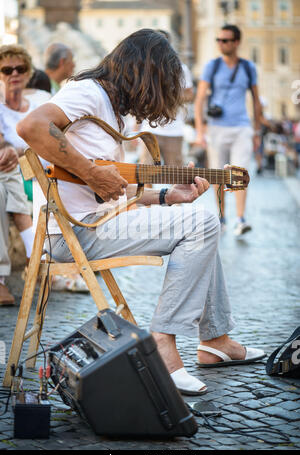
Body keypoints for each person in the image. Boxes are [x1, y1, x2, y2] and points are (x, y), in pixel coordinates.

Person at [17, 29, 265, 396]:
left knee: (199, 224)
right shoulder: (88, 93)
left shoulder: (110, 110)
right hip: (73, 233)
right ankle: (164, 342)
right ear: (144, 73)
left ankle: (216, 339)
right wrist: (90, 173)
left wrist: (167, 196)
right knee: (203, 224)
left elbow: (111, 190)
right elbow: (31, 127)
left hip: (98, 221)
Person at [194, 24, 262, 236]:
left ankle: (241, 219)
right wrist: (199, 131)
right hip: (216, 128)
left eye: (225, 40)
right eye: (219, 40)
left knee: (240, 173)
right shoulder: (212, 67)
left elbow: (256, 100)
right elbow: (199, 99)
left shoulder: (248, 68)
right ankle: (222, 216)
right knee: (218, 175)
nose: (221, 44)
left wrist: (257, 130)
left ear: (236, 42)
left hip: (242, 126)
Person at [0, 44, 35, 305]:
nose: (14, 73)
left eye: (20, 68)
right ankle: (40, 260)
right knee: (7, 183)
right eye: (6, 69)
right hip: (19, 173)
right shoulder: (0, 108)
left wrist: (17, 150)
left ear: (28, 72)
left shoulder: (38, 104)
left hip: (40, 172)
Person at [139, 30, 194, 167]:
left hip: (174, 130)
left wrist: (168, 97)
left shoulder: (181, 69)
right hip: (149, 131)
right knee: (145, 174)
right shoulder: (145, 69)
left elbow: (189, 95)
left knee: (176, 175)